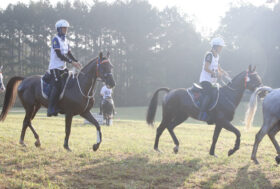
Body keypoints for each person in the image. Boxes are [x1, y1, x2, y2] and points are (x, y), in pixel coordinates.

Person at [47, 19, 82, 117]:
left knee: (69, 82)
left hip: (63, 68)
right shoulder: (55, 39)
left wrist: (76, 61)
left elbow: (69, 53)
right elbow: (59, 54)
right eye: (63, 28)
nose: (65, 30)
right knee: (57, 84)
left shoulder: (66, 40)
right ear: (58, 29)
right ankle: (50, 108)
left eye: (66, 29)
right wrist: (71, 62)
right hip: (55, 67)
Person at [198, 37, 228, 121]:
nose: (221, 48)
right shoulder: (209, 55)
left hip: (212, 81)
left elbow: (217, 66)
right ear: (216, 46)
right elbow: (206, 68)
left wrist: (223, 71)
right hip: (205, 80)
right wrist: (216, 73)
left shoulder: (217, 56)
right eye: (220, 47)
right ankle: (202, 113)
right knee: (209, 94)